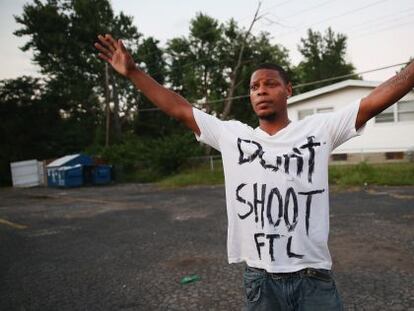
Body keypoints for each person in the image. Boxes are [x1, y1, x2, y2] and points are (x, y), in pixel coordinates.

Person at [94, 34, 414, 310]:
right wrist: (133, 72)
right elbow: (179, 108)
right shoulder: (233, 136)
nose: (261, 90)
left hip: (313, 277)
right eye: (254, 86)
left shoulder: (320, 129)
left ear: (288, 89)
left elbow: (372, 102)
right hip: (260, 279)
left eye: (270, 84)